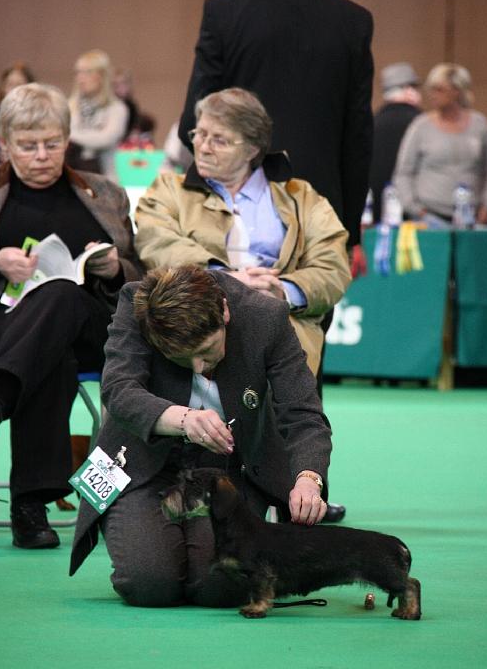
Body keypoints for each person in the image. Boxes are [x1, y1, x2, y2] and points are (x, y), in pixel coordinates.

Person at [135, 87, 351, 523]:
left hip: (281, 318)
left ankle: (297, 486)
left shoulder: (301, 197)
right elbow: (156, 243)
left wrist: (283, 291)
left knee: (281, 357)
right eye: (199, 134)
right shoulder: (169, 190)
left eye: (219, 138)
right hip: (195, 313)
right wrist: (225, 280)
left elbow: (333, 265)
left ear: (253, 148)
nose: (202, 145)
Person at [69, 265, 333, 608]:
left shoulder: (266, 316)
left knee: (222, 587)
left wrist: (309, 479)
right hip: (138, 460)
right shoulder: (136, 305)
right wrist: (182, 419)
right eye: (180, 358)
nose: (198, 367)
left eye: (207, 350)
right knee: (150, 585)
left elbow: (303, 414)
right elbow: (118, 390)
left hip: (229, 472)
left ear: (223, 311)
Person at [0, 83, 143, 549]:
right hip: (0, 323)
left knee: (60, 297)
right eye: (27, 146)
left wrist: (116, 268)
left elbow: (142, 274)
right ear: (4, 145)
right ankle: (29, 507)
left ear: (68, 139)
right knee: (52, 359)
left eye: (52, 144)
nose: (41, 156)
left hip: (90, 322)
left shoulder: (107, 193)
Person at [178, 0, 374, 251]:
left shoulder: (223, 12)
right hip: (319, 213)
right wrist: (349, 233)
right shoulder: (354, 21)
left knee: (233, 302)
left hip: (235, 209)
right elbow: (358, 142)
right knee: (309, 301)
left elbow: (192, 123)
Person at [393, 63, 487, 226]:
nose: (432, 95)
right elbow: (403, 173)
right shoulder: (420, 126)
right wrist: (416, 210)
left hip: (472, 216)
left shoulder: (480, 125)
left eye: (439, 89)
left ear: (457, 91)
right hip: (429, 216)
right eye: (432, 89)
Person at [369, 62, 422, 223]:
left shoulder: (372, 122)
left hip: (376, 212)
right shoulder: (421, 123)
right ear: (408, 90)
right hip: (415, 212)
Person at [68, 49, 129, 181]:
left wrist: (72, 135)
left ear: (101, 76)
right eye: (78, 72)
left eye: (87, 72)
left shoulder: (117, 108)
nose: (80, 78)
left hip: (105, 180)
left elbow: (106, 139)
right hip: (73, 178)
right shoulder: (69, 106)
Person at [0, 62, 35, 162]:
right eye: (10, 84)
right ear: (3, 88)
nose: (14, 89)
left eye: (19, 84)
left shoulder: (38, 117)